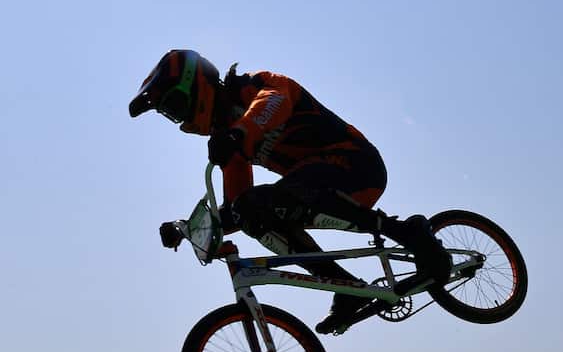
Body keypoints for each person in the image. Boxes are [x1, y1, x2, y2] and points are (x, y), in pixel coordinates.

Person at [129, 50, 450, 335]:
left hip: (356, 164)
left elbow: (276, 100)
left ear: (197, 84)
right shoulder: (228, 138)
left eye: (174, 105)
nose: (178, 118)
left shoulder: (255, 86)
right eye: (169, 114)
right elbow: (237, 207)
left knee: (295, 188)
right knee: (252, 211)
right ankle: (349, 288)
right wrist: (189, 229)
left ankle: (410, 231)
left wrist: (240, 133)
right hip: (314, 185)